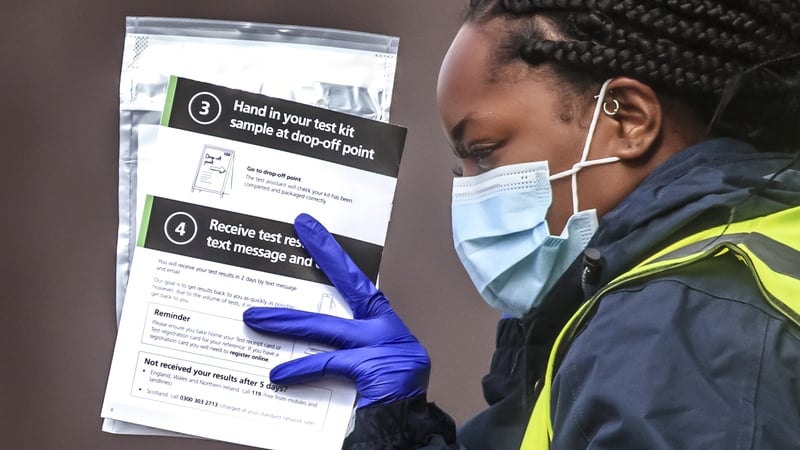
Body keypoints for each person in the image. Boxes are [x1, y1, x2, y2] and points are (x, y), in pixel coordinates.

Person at [243, 0, 800, 448]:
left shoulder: (685, 329)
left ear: (628, 120)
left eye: (484, 152)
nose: (468, 190)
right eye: (460, 166)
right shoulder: (723, 275)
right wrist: (399, 430)